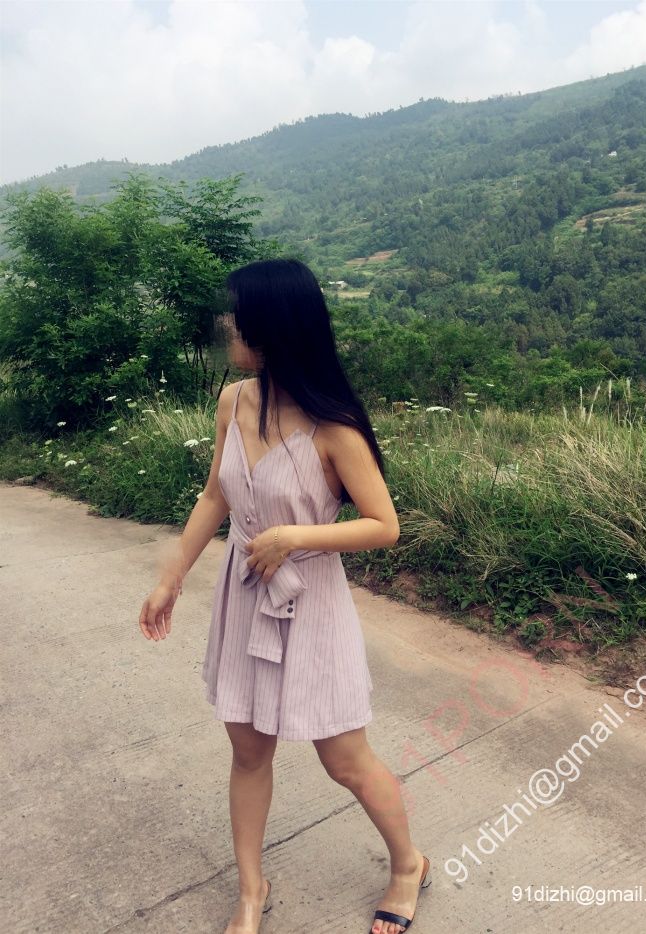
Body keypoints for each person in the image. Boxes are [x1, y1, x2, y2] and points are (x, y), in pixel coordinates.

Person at [139, 258, 431, 934]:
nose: (227, 324)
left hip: (311, 603)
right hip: (244, 599)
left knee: (345, 761)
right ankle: (251, 890)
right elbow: (215, 496)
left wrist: (297, 535)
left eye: (237, 315)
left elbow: (384, 525)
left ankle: (407, 863)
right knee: (248, 753)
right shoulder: (234, 401)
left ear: (273, 327)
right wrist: (170, 578)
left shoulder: (334, 425)